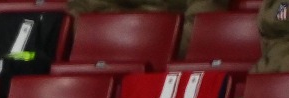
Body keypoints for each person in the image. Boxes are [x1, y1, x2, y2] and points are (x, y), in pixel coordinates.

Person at [65, 0, 231, 58]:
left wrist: (152, 39)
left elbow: (202, 24)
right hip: (107, 57)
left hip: (175, 58)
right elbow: (83, 13)